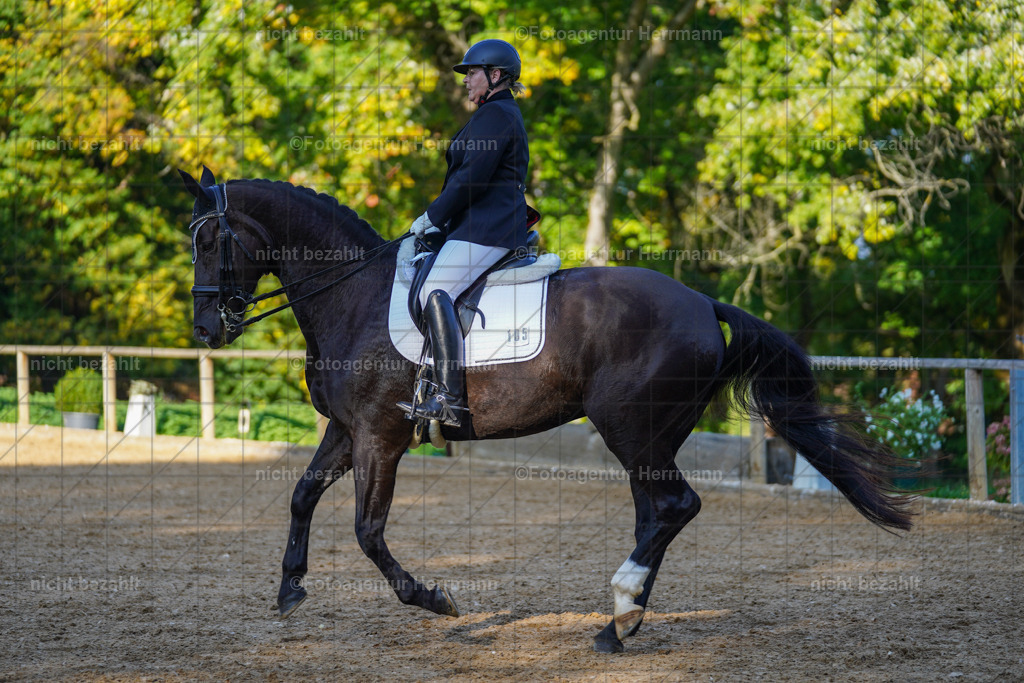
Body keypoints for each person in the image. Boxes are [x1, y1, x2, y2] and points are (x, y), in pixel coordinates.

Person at [397, 39, 529, 427]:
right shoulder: (494, 114)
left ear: (495, 75)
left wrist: (431, 217)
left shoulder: (497, 115)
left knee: (432, 292)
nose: (466, 81)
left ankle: (448, 399)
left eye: (472, 73)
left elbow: (471, 179)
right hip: (476, 226)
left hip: (488, 229)